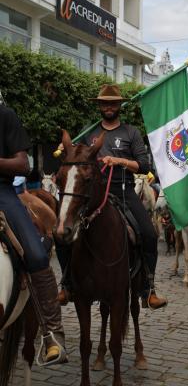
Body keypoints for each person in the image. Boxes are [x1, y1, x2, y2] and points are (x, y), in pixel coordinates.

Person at [58, 84, 167, 310]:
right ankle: (67, 283)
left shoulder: (131, 132)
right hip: (91, 193)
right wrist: (69, 149)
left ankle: (148, 289)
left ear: (119, 106)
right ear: (99, 105)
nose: (108, 107)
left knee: (148, 233)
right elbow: (77, 155)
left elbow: (144, 165)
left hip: (122, 189)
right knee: (62, 231)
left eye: (113, 103)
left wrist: (120, 161)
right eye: (104, 103)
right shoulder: (88, 131)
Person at [0, 100, 65, 363]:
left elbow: (22, 165)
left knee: (37, 253)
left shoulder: (6, 115)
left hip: (2, 193)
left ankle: (52, 334)